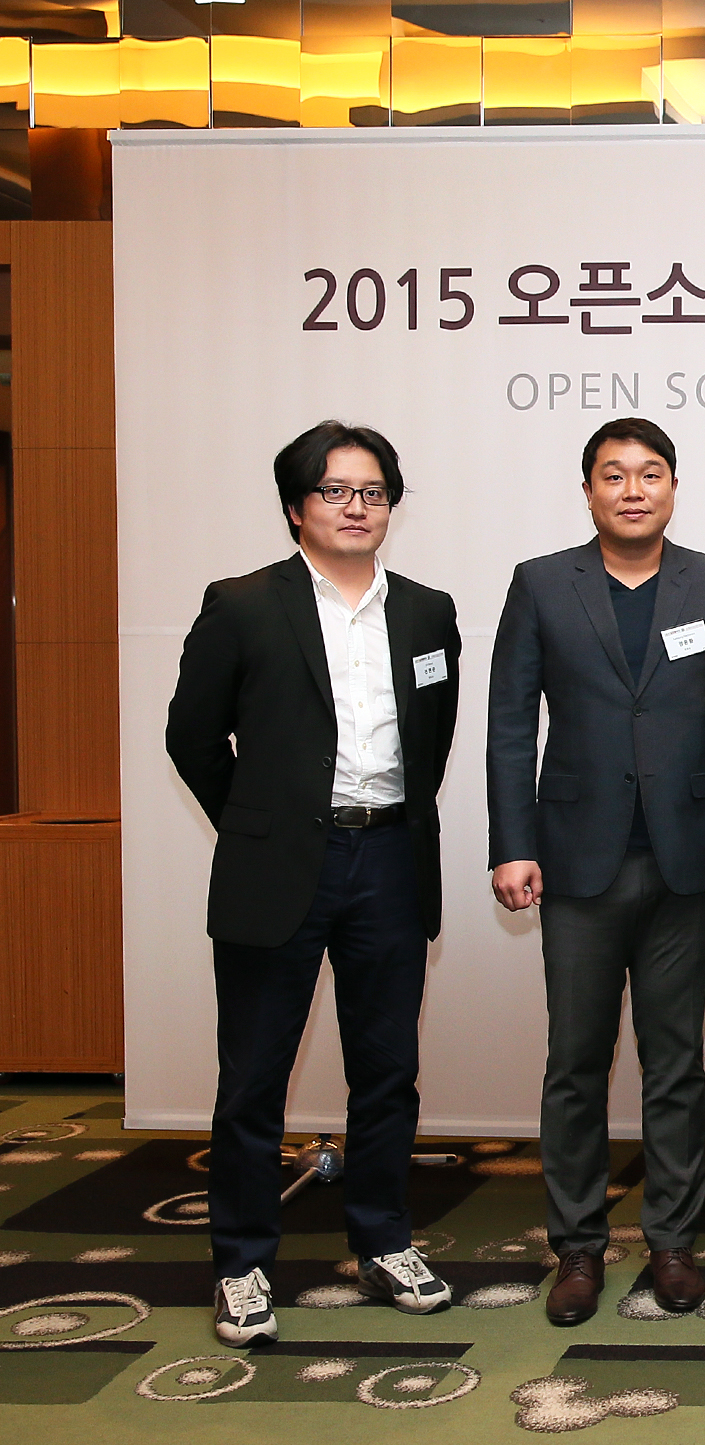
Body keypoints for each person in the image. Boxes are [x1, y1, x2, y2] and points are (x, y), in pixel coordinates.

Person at [165, 421, 462, 1347]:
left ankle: (382, 1241)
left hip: (390, 861)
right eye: (335, 491)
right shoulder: (244, 604)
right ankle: (242, 1262)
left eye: (372, 492)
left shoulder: (427, 612)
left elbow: (433, 738)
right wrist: (257, 825)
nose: (355, 507)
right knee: (255, 1076)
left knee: (389, 1072)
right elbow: (191, 735)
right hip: (280, 868)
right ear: (297, 507)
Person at [486, 416, 705, 1326]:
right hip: (576, 862)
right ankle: (576, 1247)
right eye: (614, 475)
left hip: (687, 857)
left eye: (651, 474)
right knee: (575, 1060)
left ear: (674, 488)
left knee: (675, 1061)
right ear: (588, 491)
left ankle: (673, 1242)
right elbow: (509, 725)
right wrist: (512, 842)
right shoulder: (541, 584)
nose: (633, 490)